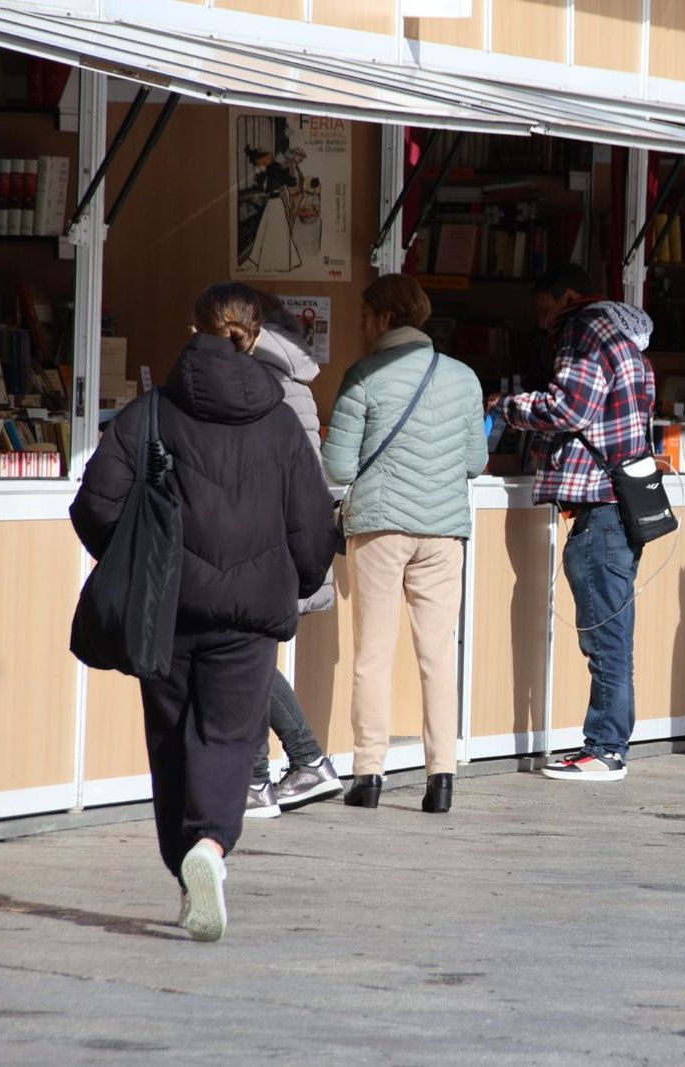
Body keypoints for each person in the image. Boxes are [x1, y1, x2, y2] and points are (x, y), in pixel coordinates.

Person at [70, 283, 336, 942]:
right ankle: (212, 847)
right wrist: (298, 579)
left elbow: (96, 503)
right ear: (255, 334)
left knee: (171, 741)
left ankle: (183, 861)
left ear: (195, 331)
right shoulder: (280, 422)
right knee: (229, 735)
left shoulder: (150, 413)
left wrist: (138, 558)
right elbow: (311, 524)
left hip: (168, 606)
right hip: (249, 614)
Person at [323, 274, 488, 814]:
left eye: (366, 315)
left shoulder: (364, 377)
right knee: (438, 655)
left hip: (381, 526)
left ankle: (368, 775)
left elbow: (340, 466)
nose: (362, 326)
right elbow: (474, 462)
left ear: (385, 318)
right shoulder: (463, 378)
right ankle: (441, 777)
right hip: (444, 531)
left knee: (373, 654)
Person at [495, 263, 656, 783]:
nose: (543, 323)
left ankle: (605, 749)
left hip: (599, 505)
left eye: (544, 309)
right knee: (614, 634)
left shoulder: (582, 328)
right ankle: (610, 744)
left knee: (604, 636)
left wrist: (510, 406)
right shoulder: (623, 333)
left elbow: (571, 406)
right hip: (622, 503)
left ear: (565, 296)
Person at [243, 291, 342, 817]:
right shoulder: (293, 379)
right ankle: (282, 772)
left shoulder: (263, 381)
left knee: (249, 656)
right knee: (251, 656)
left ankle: (288, 768)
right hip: (285, 538)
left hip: (266, 539)